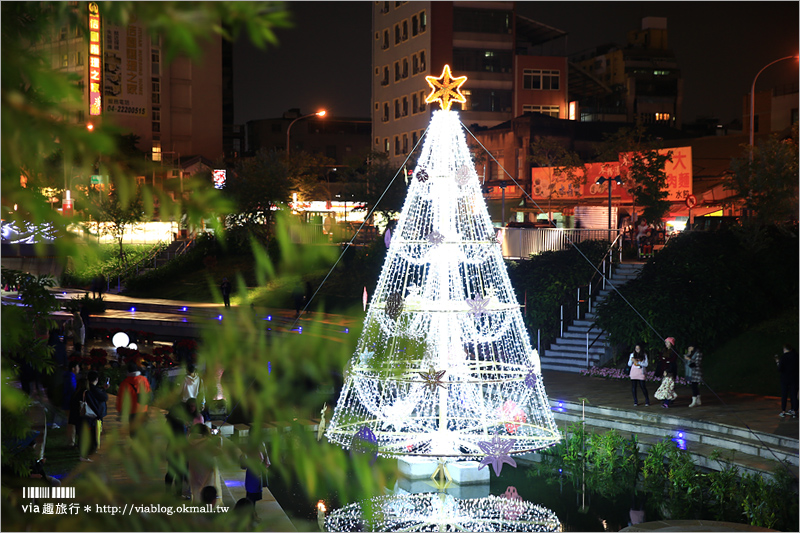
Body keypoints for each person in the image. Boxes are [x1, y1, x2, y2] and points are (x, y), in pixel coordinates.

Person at [116, 361, 152, 438]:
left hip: (131, 410)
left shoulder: (124, 383)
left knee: (133, 431)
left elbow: (121, 398)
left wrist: (120, 410)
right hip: (143, 408)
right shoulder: (143, 379)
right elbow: (149, 392)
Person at [85, 371, 108, 452]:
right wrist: (104, 390)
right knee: (95, 432)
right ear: (97, 379)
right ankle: (93, 448)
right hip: (96, 414)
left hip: (90, 414)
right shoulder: (94, 389)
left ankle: (92, 447)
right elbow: (104, 397)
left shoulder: (87, 388)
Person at [654, 337, 678, 408]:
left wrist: (667, 369)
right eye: (666, 342)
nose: (666, 344)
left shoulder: (673, 352)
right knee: (664, 385)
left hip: (670, 371)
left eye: (668, 342)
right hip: (663, 370)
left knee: (669, 386)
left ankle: (668, 401)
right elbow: (661, 358)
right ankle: (665, 399)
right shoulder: (663, 350)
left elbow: (672, 361)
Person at [776, 344, 799, 418]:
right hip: (795, 378)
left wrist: (778, 363)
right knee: (794, 394)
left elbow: (780, 369)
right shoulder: (796, 356)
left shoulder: (784, 357)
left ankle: (783, 411)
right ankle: (794, 410)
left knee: (784, 394)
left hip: (785, 378)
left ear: (785, 349)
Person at [62, 361, 80, 446]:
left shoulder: (69, 376)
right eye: (77, 367)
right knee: (71, 423)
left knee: (71, 423)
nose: (79, 369)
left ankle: (70, 441)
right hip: (69, 403)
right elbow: (73, 391)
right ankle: (70, 443)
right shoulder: (70, 378)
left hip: (67, 402)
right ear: (73, 368)